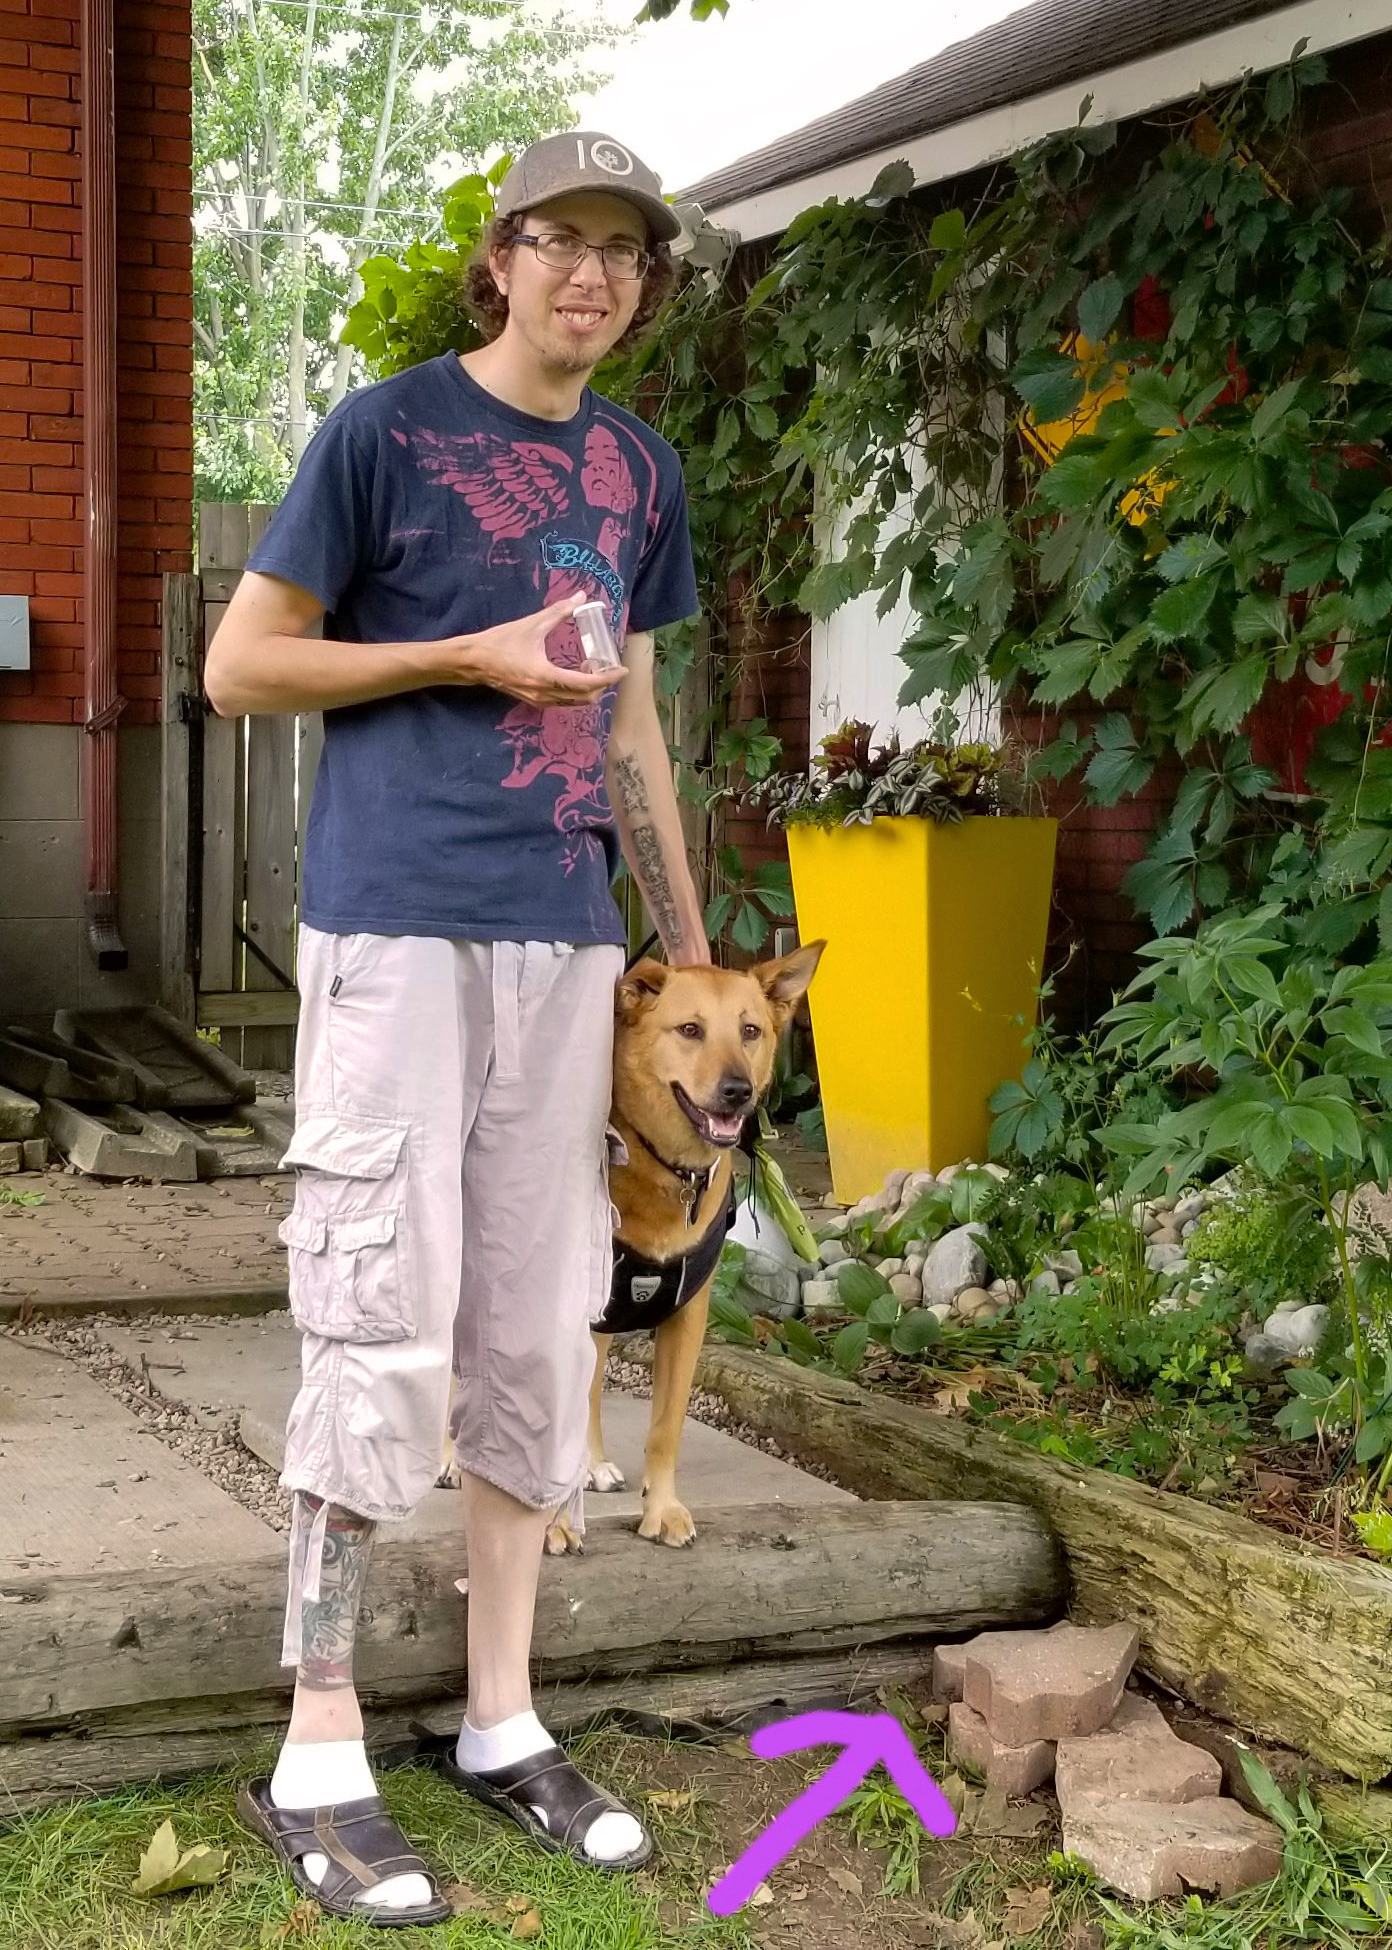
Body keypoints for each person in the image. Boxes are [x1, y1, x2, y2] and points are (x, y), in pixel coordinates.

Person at [204, 129, 708, 1927]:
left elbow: (637, 723)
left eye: (621, 253)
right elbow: (241, 664)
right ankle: (321, 1739)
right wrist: (463, 654)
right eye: (557, 242)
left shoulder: (641, 467)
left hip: (566, 944)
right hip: (398, 927)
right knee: (374, 1303)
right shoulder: (385, 431)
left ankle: (501, 1714)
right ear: (500, 261)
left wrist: (693, 952)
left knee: (530, 1311)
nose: (590, 276)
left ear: (644, 285)